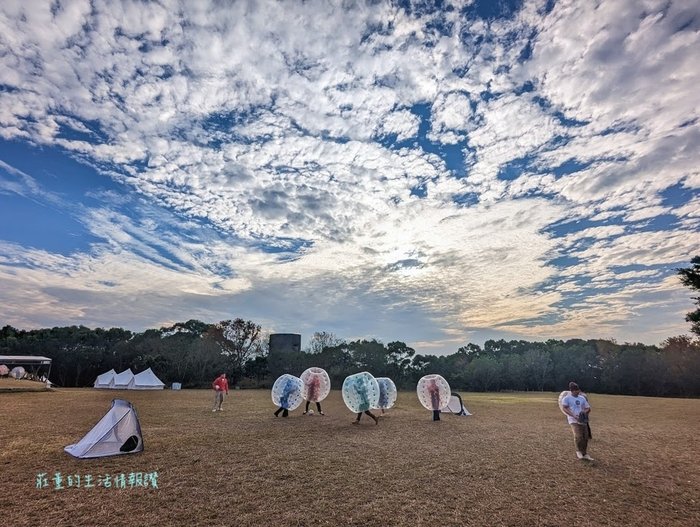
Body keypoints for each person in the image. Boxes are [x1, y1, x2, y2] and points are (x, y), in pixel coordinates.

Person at [561, 382, 593, 461]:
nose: (578, 391)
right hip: (573, 420)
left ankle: (584, 453)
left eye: (578, 390)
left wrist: (584, 413)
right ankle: (578, 451)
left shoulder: (582, 398)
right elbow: (564, 408)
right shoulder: (567, 398)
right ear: (572, 391)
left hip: (582, 420)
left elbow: (588, 408)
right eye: (576, 390)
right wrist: (573, 415)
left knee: (585, 436)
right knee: (578, 436)